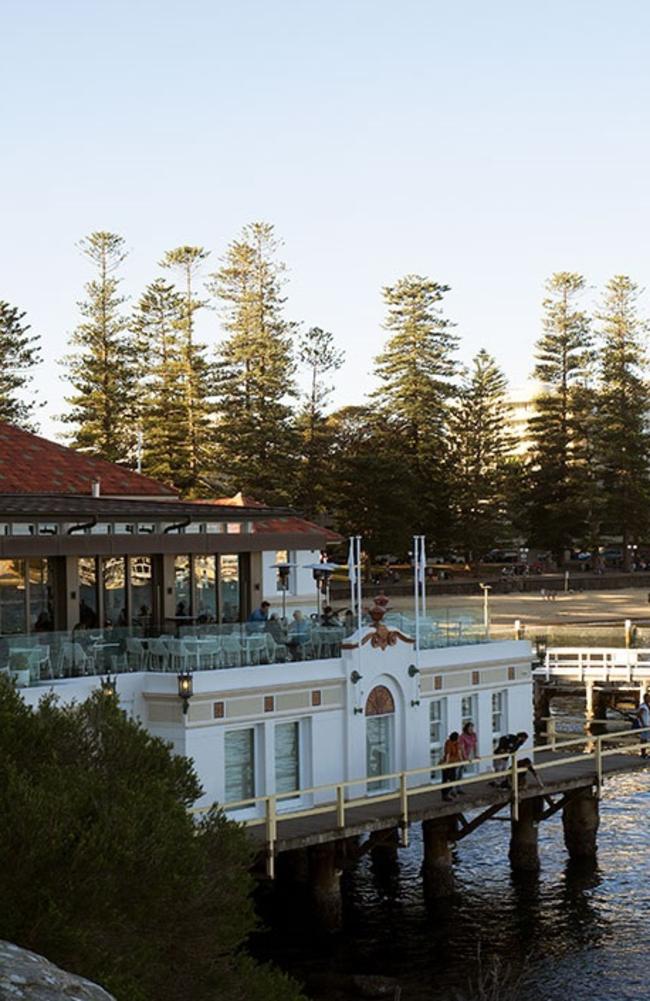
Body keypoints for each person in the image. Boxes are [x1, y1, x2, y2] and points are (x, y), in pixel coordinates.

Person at [441, 731, 465, 801]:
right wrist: (446, 762)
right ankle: (445, 795)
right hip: (449, 763)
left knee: (453, 778)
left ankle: (449, 793)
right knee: (446, 779)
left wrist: (461, 761)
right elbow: (448, 753)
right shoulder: (448, 743)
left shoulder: (457, 743)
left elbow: (459, 752)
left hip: (454, 763)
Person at [637, 692, 650, 757]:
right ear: (645, 698)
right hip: (645, 725)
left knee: (645, 739)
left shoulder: (648, 705)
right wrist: (643, 724)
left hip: (648, 724)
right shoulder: (643, 706)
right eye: (647, 698)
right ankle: (643, 753)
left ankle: (644, 753)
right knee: (643, 739)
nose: (649, 699)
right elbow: (639, 715)